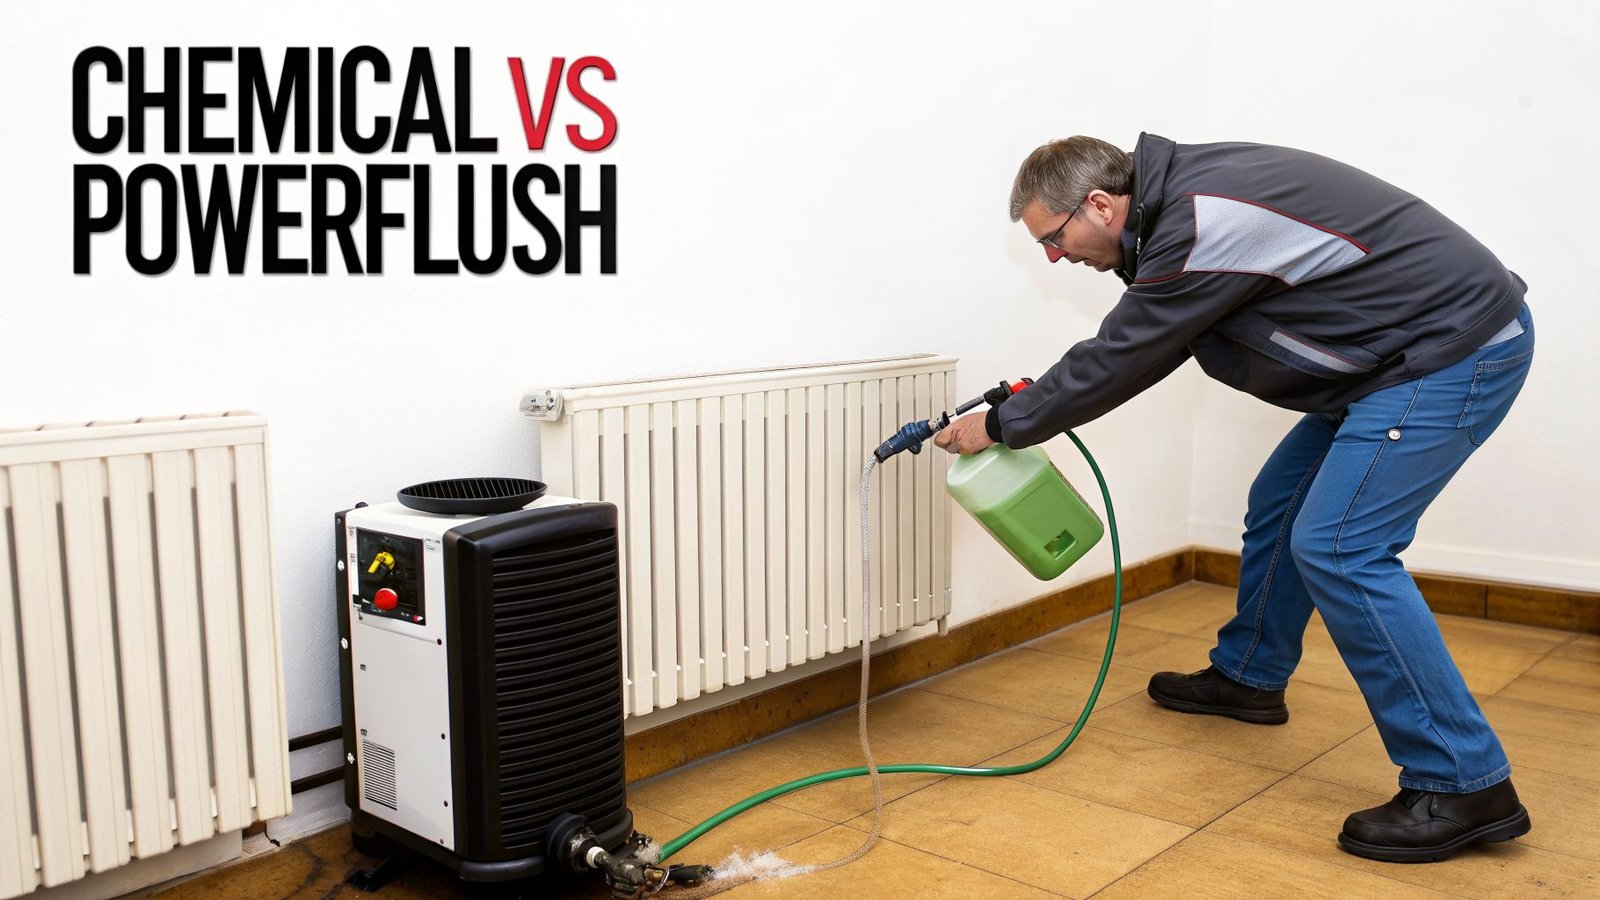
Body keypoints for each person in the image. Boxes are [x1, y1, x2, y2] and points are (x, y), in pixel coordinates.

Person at [934, 133, 1534, 863]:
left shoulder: (1200, 222)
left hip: (1454, 349)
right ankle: (1251, 676)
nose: (1054, 258)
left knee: (1342, 548)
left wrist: (1002, 424)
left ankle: (1464, 780)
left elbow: (1128, 351)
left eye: (1054, 239)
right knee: (1283, 503)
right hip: (1392, 360)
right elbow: (1154, 334)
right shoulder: (1176, 212)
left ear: (1099, 203)